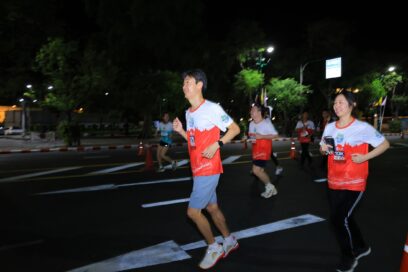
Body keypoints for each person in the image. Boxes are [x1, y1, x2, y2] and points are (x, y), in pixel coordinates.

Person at [173, 69, 241, 269]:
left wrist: (218, 144)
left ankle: (214, 247)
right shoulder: (188, 112)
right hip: (197, 168)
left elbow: (235, 129)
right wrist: (181, 132)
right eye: (183, 83)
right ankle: (229, 240)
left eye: (188, 82)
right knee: (212, 208)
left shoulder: (211, 108)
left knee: (193, 213)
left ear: (199, 85)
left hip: (209, 168)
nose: (184, 86)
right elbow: (193, 143)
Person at [320, 90, 389, 272]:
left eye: (341, 102)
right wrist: (324, 149)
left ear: (352, 105)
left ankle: (348, 257)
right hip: (334, 180)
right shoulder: (330, 127)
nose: (337, 106)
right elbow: (323, 148)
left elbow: (384, 144)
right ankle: (362, 247)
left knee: (337, 219)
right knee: (345, 218)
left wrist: (365, 156)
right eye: (335, 103)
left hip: (354, 182)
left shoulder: (362, 127)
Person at [248, 104, 279, 198]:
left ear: (259, 112)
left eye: (253, 110)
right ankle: (271, 189)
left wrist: (262, 136)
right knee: (260, 170)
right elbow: (252, 136)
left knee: (256, 170)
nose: (251, 112)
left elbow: (275, 135)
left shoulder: (266, 123)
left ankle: (270, 187)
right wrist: (249, 137)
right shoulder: (251, 123)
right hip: (255, 150)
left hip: (264, 150)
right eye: (251, 110)